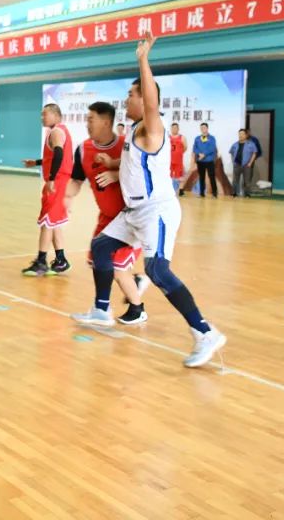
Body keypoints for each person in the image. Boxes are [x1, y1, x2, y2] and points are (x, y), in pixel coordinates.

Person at [72, 34, 226, 368]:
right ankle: (101, 309)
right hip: (134, 211)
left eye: (131, 94)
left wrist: (143, 60)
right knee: (100, 247)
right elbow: (133, 164)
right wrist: (112, 167)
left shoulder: (151, 126)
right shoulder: (136, 131)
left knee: (157, 269)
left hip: (157, 209)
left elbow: (153, 102)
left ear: (145, 99)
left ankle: (205, 332)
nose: (126, 100)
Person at [67, 101, 151, 325]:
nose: (87, 124)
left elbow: (143, 176)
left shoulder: (128, 146)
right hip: (106, 218)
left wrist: (115, 174)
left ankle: (134, 308)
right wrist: (64, 196)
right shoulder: (83, 149)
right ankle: (128, 289)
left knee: (116, 267)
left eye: (91, 119)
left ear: (106, 122)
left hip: (130, 217)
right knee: (97, 261)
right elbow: (76, 180)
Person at [20, 104, 73, 276]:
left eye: (45, 114)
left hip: (57, 182)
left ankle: (41, 262)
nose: (42, 117)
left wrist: (51, 178)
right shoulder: (59, 130)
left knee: (47, 222)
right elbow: (52, 156)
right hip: (61, 180)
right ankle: (61, 260)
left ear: (56, 115)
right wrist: (35, 163)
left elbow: (58, 154)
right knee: (54, 222)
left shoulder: (56, 132)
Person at [229, 129, 257, 198]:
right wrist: (233, 161)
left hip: (246, 165)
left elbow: (254, 153)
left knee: (247, 181)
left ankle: (247, 194)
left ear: (245, 135)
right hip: (237, 165)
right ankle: (234, 193)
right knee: (235, 180)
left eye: (242, 134)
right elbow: (231, 152)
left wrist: (250, 163)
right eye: (239, 134)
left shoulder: (251, 144)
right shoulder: (235, 144)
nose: (240, 135)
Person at [192, 123, 218, 197]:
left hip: (209, 161)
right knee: (201, 177)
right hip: (200, 161)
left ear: (207, 128)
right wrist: (199, 154)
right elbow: (195, 148)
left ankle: (214, 193)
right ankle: (202, 193)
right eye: (201, 128)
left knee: (212, 176)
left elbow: (212, 148)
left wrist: (204, 154)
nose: (203, 129)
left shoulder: (212, 138)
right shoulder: (197, 138)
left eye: (204, 127)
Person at [170, 122, 186, 194]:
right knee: (168, 175)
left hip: (178, 160)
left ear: (178, 129)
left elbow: (185, 147)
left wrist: (179, 153)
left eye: (176, 128)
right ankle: (169, 190)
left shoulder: (182, 137)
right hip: (169, 160)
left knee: (180, 175)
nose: (174, 129)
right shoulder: (168, 137)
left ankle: (181, 190)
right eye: (173, 128)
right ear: (171, 129)